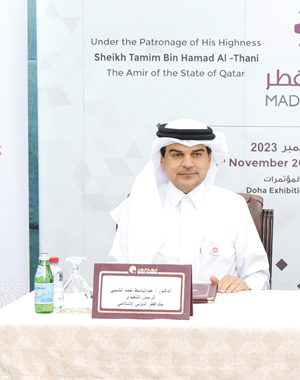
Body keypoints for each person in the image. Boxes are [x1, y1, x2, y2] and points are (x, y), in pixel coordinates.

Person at [108, 119, 269, 292]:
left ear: (209, 159)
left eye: (197, 154)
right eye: (177, 155)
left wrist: (243, 285)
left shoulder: (233, 206)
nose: (187, 164)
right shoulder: (139, 205)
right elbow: (115, 274)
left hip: (218, 315)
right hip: (156, 316)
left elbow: (258, 276)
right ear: (162, 161)